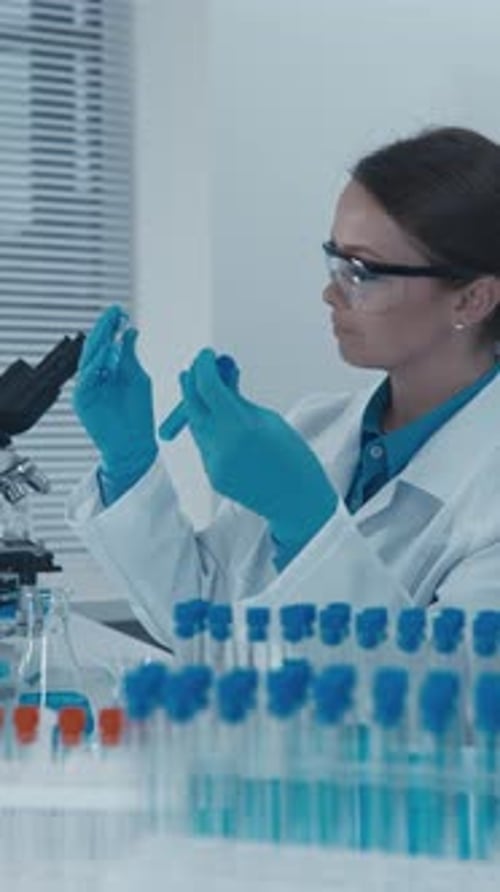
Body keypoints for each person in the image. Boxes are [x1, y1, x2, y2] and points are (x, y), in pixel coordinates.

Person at [68, 126, 500, 648]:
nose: (330, 293)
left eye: (362, 272)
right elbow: (205, 626)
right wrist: (130, 463)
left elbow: (443, 687)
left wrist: (308, 526)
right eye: (335, 260)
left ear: (471, 300)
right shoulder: (315, 428)